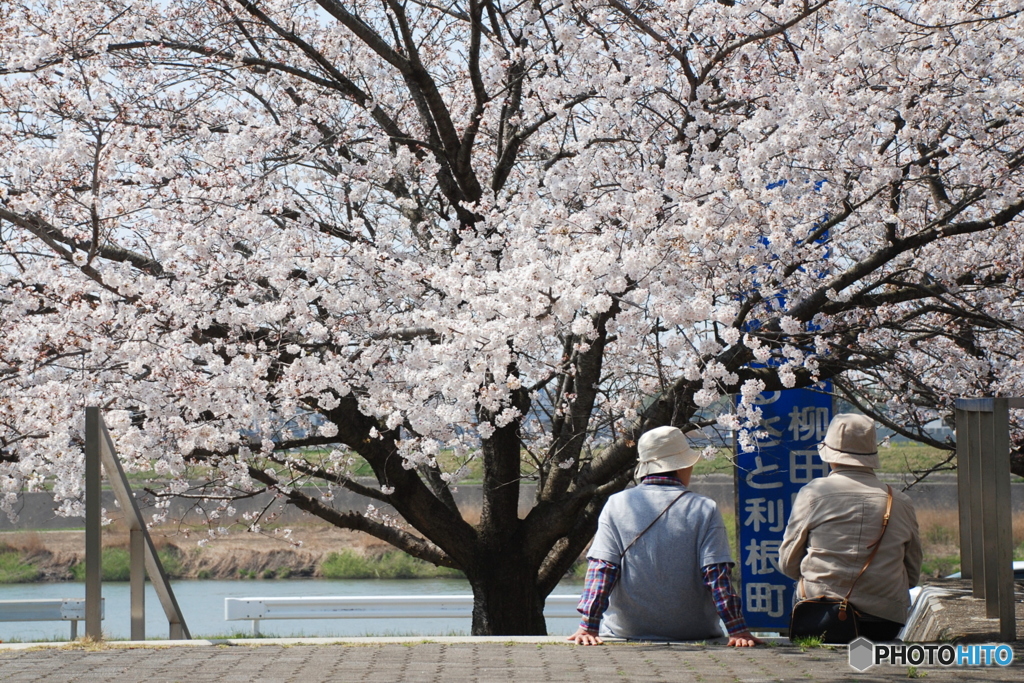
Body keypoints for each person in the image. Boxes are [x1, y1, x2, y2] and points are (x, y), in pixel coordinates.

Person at [567, 426, 760, 646]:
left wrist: (588, 626)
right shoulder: (704, 508)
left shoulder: (617, 504)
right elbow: (716, 574)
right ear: (683, 466)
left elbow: (603, 569)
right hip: (694, 632)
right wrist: (737, 629)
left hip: (627, 630)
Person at [779, 413, 923, 641]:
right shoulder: (900, 502)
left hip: (820, 614)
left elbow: (788, 564)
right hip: (883, 621)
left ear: (830, 454)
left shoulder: (814, 494)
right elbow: (912, 573)